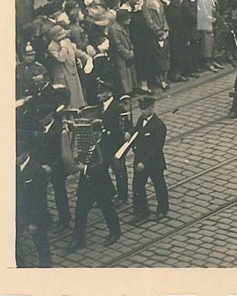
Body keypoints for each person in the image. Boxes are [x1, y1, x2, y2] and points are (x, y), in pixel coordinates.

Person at [69, 121, 122, 251]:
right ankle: (79, 239)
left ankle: (115, 232)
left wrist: (85, 168)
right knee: (80, 211)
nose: (92, 135)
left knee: (107, 209)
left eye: (95, 133)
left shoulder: (106, 145)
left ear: (99, 133)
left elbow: (102, 166)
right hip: (86, 184)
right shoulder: (87, 143)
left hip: (100, 184)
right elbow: (82, 157)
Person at [128, 96, 169, 224]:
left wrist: (144, 163)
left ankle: (162, 209)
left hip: (154, 162)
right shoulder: (142, 120)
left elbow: (156, 148)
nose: (142, 112)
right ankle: (142, 210)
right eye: (141, 109)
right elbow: (137, 131)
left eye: (145, 109)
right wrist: (129, 133)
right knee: (137, 185)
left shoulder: (159, 125)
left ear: (152, 108)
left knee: (159, 185)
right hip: (140, 158)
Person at [16, 146, 53, 267]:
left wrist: (33, 222)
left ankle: (45, 265)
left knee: (40, 240)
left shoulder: (36, 170)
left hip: (35, 214)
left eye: (18, 156)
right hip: (20, 211)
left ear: (26, 154)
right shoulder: (16, 167)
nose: (16, 159)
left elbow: (39, 200)